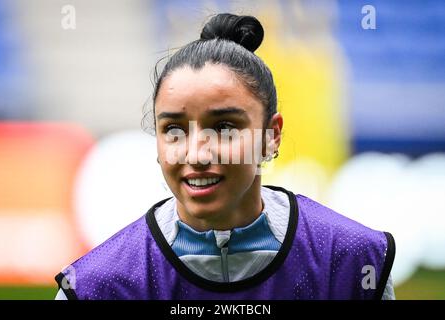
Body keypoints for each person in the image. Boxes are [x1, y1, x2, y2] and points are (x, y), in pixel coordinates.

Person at [55, 13, 395, 300]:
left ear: (271, 136)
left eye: (224, 127)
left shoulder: (354, 262)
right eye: (173, 130)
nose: (197, 153)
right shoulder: (95, 286)